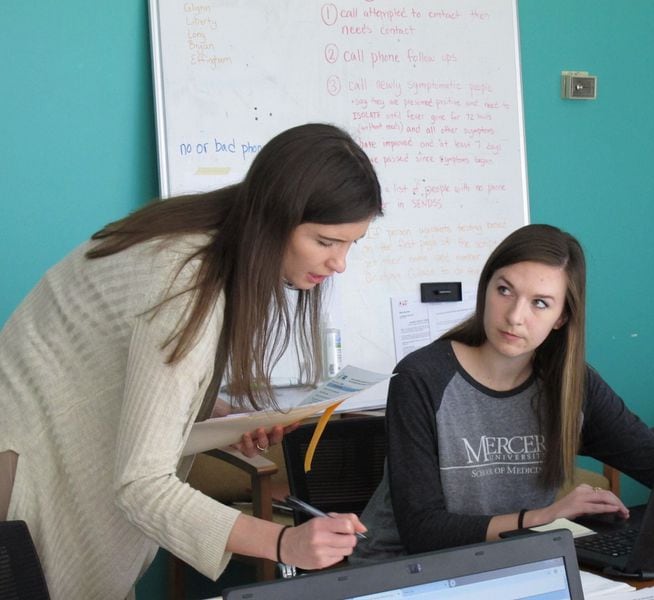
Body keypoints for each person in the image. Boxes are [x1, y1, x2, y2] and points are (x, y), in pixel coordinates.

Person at [0, 123, 378, 598]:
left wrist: (221, 415)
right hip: (26, 467)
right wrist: (284, 541)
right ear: (273, 218)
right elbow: (143, 483)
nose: (339, 262)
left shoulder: (206, 236)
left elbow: (138, 376)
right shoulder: (183, 282)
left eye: (351, 244)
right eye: (326, 242)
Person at [351, 224, 654, 563]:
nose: (516, 316)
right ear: (485, 288)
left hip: (515, 562)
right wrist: (546, 517)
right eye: (504, 290)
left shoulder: (572, 383)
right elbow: (424, 532)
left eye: (540, 303)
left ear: (562, 317)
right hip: (406, 571)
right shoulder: (421, 376)